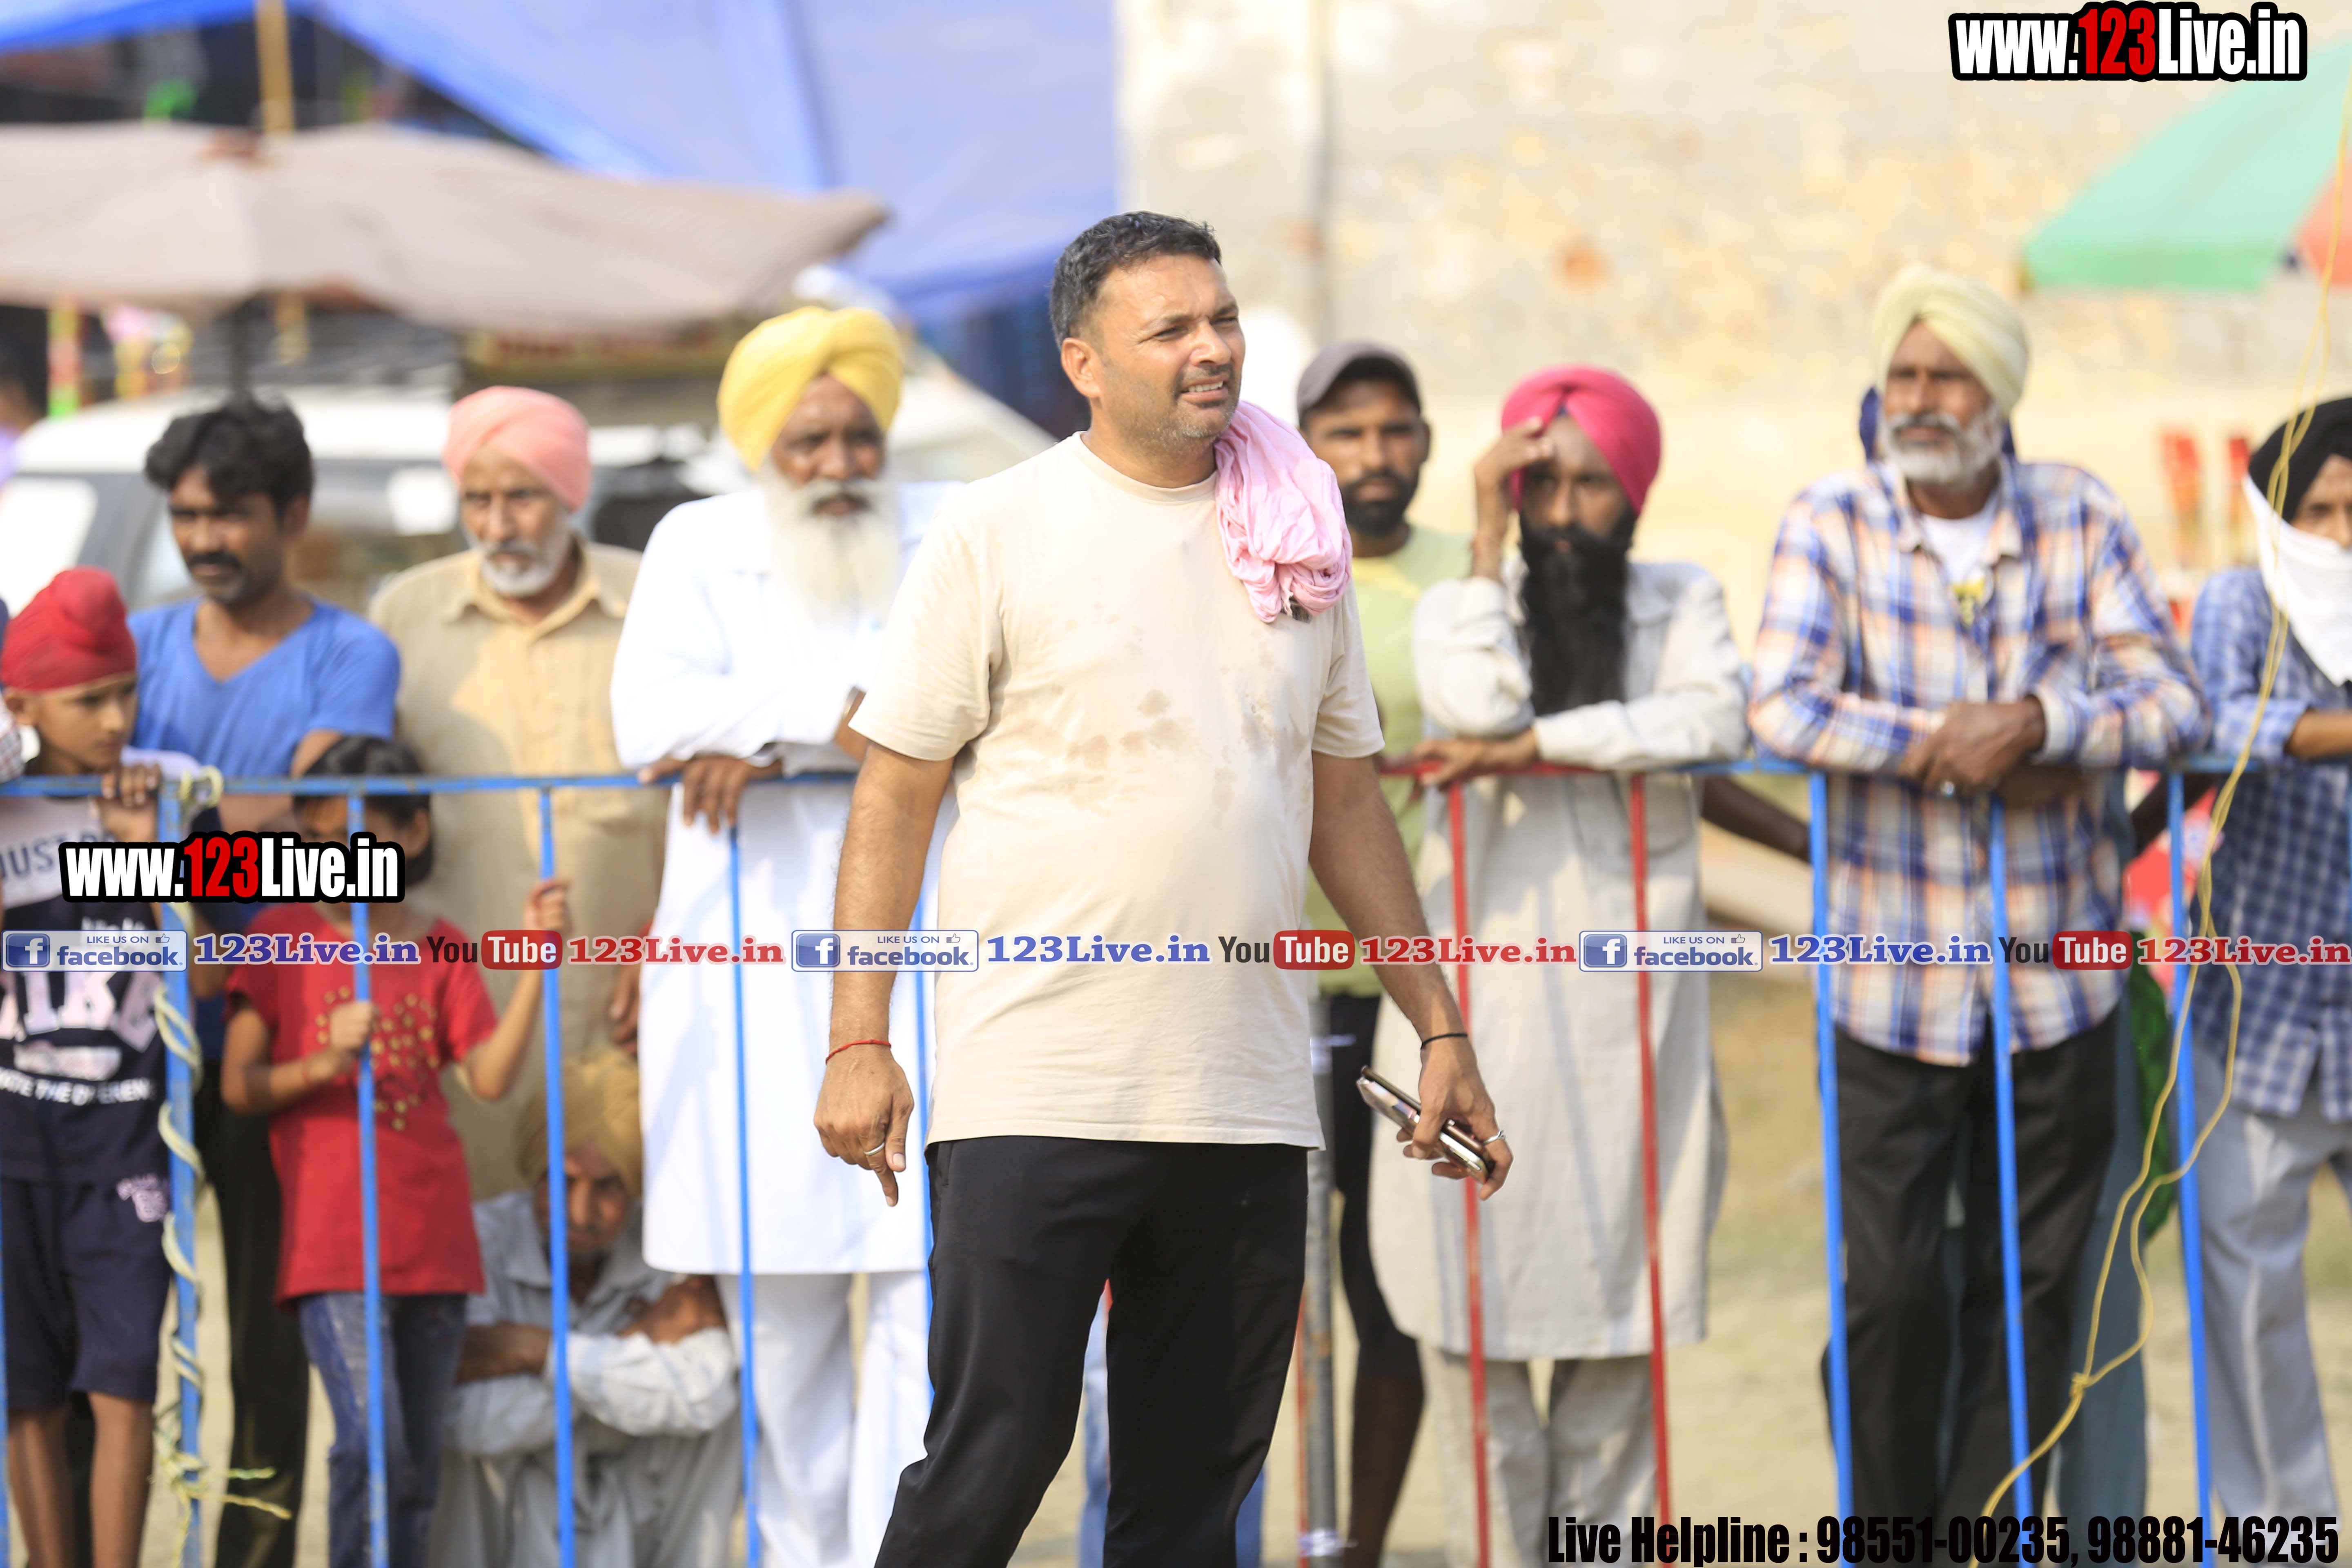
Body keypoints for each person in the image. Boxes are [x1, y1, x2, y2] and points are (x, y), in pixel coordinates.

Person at [817, 210, 1509, 1562]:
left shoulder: (1298, 536)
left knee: (1193, 1504)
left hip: (1245, 1093)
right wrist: (858, 1039)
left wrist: (1442, 1026)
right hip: (1038, 1082)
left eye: (1224, 319)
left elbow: (1346, 805)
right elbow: (894, 793)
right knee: (992, 1464)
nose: (1214, 349)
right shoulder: (995, 529)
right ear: (1083, 363)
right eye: (1173, 329)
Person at [1748, 264, 2205, 1516]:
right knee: (1893, 1290)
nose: (1920, 398)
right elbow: (1780, 704)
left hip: (2056, 986)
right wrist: (1952, 744)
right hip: (1889, 984)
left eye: (1947, 376)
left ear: (2000, 392)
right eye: (1903, 374)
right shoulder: (1829, 519)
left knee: (2036, 1290)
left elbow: (2174, 701)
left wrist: (2047, 723)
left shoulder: (2078, 514)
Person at [1378, 368, 1744, 1556]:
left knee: (1617, 1360)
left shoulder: (1681, 599)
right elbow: (1474, 703)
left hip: (1632, 1027)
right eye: (1540, 486)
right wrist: (1483, 535)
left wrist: (1544, 742)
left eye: (1591, 485)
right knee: (1476, 1354)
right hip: (1476, 1015)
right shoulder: (1463, 600)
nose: (1565, 511)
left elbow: (1711, 720)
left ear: (1632, 493)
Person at [608, 306, 936, 1568]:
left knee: (925, 1302)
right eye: (808, 442)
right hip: (745, 984)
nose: (839, 464)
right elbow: (649, 719)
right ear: (761, 448)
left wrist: (756, 735)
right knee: (782, 1325)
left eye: (859, 437)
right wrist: (814, 719)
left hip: (918, 974)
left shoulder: (950, 528)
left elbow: (973, 703)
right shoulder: (697, 541)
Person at [130, 395, 402, 1566]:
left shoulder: (351, 653)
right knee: (108, 1329)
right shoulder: (135, 644)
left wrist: (160, 832)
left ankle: (253, 1554)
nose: (204, 538)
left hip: (277, 1031)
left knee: (267, 1329)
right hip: (134, 1028)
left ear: (292, 513)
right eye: (187, 515)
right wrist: (238, 824)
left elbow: (321, 837)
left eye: (230, 514)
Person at [219, 735, 569, 1568]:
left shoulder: (440, 945)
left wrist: (538, 964)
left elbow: (488, 1077)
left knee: (417, 1462)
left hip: (433, 1241)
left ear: (412, 834)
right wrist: (321, 1063)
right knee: (370, 1443)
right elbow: (237, 1084)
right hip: (333, 1246)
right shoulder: (279, 934)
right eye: (318, 839)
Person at [370, 387, 665, 1194]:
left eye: (523, 497)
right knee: (478, 1225)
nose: (498, 525)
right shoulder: (406, 614)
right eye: (478, 500)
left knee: (627, 1225)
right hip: (465, 1010)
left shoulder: (655, 600)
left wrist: (667, 935)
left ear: (571, 493)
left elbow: (702, 787)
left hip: (629, 1002)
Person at [1290, 338, 1464, 1565]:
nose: (1374, 453)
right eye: (1345, 432)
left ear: (1426, 443)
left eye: (1394, 428)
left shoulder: (1466, 576)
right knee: (1250, 1279)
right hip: (1260, 980)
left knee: (1386, 1276)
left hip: (1404, 994)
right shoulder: (1265, 566)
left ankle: (1358, 1545)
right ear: (1304, 450)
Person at [0, 569, 212, 1568]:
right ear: (22, 705)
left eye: (126, 691)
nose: (117, 719)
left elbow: (215, 971)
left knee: (125, 1384)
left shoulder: (171, 796)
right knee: (27, 1393)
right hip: (15, 1146)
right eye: (89, 700)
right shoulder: (9, 805)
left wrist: (149, 857)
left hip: (129, 1144)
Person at [2183, 399, 2352, 1518]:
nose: (2339, 535)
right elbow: (2206, 726)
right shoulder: (2242, 602)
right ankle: (2275, 1539)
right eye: (2319, 511)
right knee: (2250, 1311)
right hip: (2264, 1013)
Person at [432, 1050, 740, 1568]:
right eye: (563, 1180)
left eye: (608, 1186)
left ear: (635, 1189)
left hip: (633, 1492)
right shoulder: (481, 1240)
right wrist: (634, 1343)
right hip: (515, 1501)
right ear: (535, 1173)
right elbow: (470, 1421)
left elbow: (706, 1394)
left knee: (718, 1431)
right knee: (470, 1455)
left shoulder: (666, 1243)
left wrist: (538, 1352)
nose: (580, 1212)